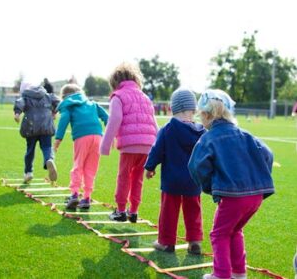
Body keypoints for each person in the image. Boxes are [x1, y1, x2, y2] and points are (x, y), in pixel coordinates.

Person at [188, 89, 274, 279]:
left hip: (233, 197)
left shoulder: (208, 138)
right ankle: (238, 273)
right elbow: (268, 154)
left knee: (219, 234)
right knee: (235, 231)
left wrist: (211, 187)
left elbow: (196, 166)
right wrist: (259, 180)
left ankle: (221, 275)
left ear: (206, 115)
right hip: (256, 197)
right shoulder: (246, 135)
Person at [144, 88, 205, 254]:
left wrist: (150, 167)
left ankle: (166, 242)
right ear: (194, 109)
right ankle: (194, 241)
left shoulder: (167, 129)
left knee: (168, 211)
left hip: (171, 179)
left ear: (172, 108)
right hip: (193, 179)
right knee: (193, 210)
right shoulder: (202, 131)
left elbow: (156, 150)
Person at [100, 62, 158, 222]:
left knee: (124, 176)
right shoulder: (145, 97)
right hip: (148, 146)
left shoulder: (118, 97)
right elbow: (154, 123)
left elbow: (115, 119)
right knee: (137, 178)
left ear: (115, 82)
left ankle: (120, 211)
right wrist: (157, 148)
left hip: (129, 145)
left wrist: (105, 145)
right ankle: (133, 211)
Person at [54, 83, 108, 209]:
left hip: (82, 137)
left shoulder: (68, 105)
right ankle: (86, 198)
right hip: (98, 136)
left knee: (78, 165)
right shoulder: (92, 104)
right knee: (91, 168)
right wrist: (112, 135)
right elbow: (107, 117)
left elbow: (63, 121)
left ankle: (74, 195)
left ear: (64, 96)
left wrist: (57, 140)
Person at [14, 82, 60, 184]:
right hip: (46, 126)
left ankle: (28, 172)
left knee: (30, 150)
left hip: (31, 128)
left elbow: (20, 102)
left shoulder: (25, 96)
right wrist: (54, 111)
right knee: (47, 147)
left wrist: (17, 113)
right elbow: (57, 101)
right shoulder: (47, 95)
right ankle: (49, 159)